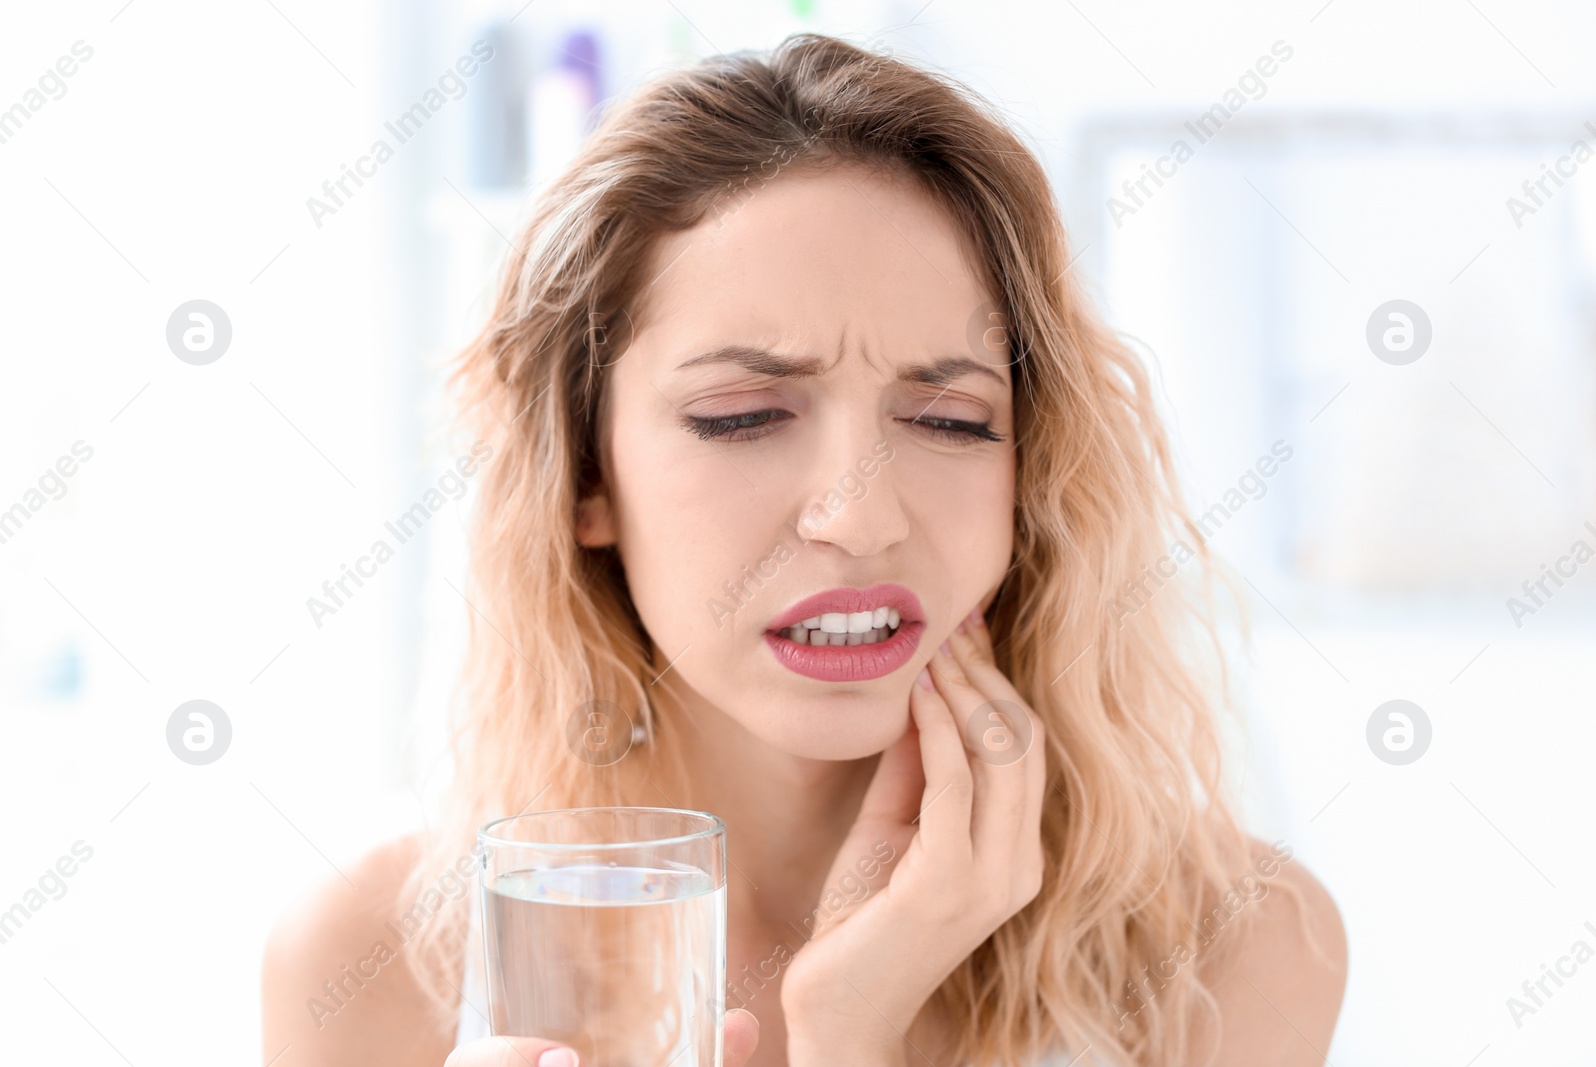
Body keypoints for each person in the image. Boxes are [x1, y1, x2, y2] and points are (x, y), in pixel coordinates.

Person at [262, 32, 1346, 1067]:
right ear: (585, 476)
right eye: (742, 414)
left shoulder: (1233, 946)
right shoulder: (374, 964)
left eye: (951, 420)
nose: (861, 515)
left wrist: (845, 1031)